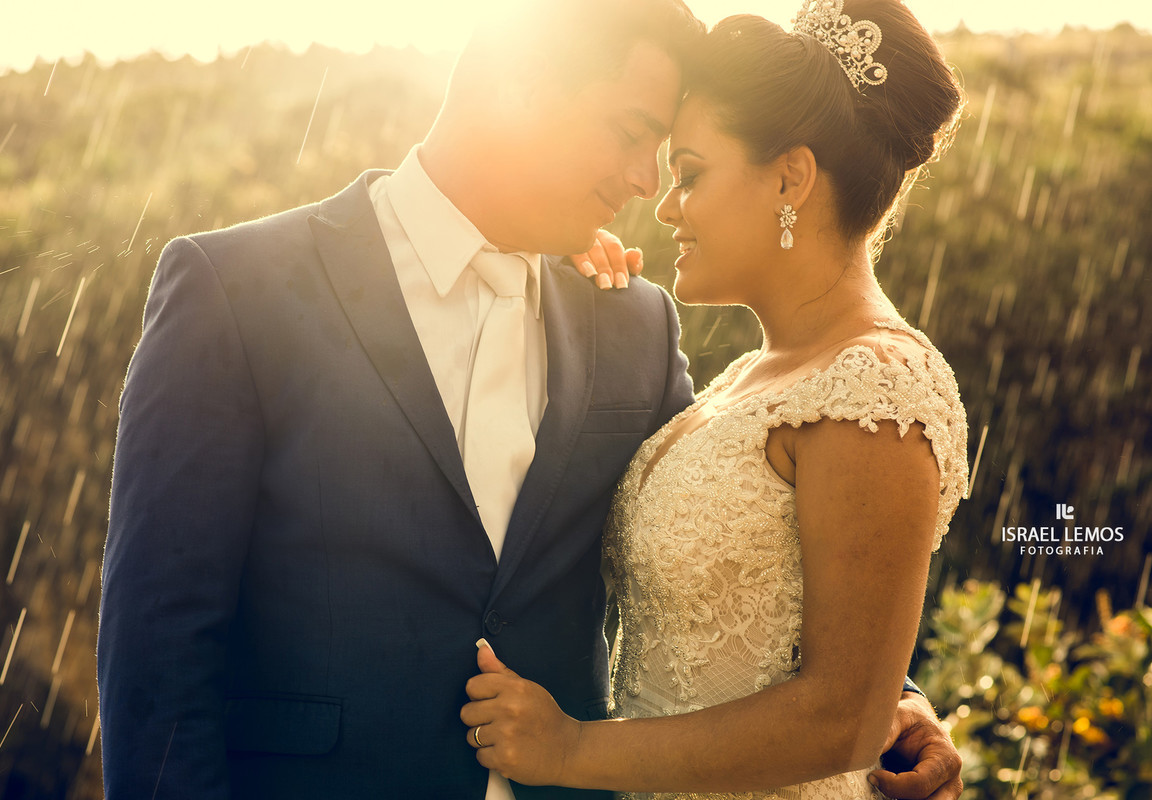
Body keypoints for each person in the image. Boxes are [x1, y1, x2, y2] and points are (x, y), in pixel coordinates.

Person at [97, 0, 961, 798]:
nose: (639, 180)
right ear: (515, 84)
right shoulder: (236, 290)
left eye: (667, 157)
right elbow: (159, 656)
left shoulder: (633, 325)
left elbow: (747, 542)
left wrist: (886, 702)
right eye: (631, 134)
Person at [461, 1, 970, 799]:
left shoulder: (879, 385)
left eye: (690, 174)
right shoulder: (748, 380)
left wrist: (570, 753)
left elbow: (842, 719)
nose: (663, 207)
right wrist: (569, 269)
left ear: (790, 176)